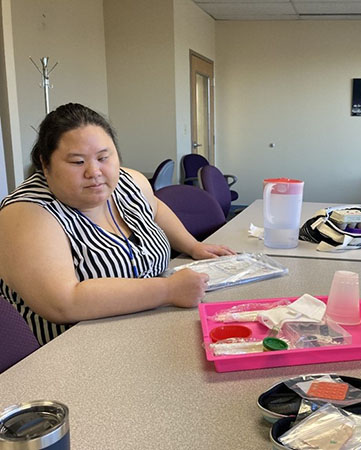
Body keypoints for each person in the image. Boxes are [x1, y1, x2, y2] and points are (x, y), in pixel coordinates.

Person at [0, 103, 235, 346]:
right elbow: (63, 302)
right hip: (71, 354)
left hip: (148, 333)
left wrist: (193, 245)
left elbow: (155, 208)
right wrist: (167, 290)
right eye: (78, 162)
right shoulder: (27, 213)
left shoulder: (127, 182)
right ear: (45, 164)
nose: (94, 172)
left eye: (103, 157)